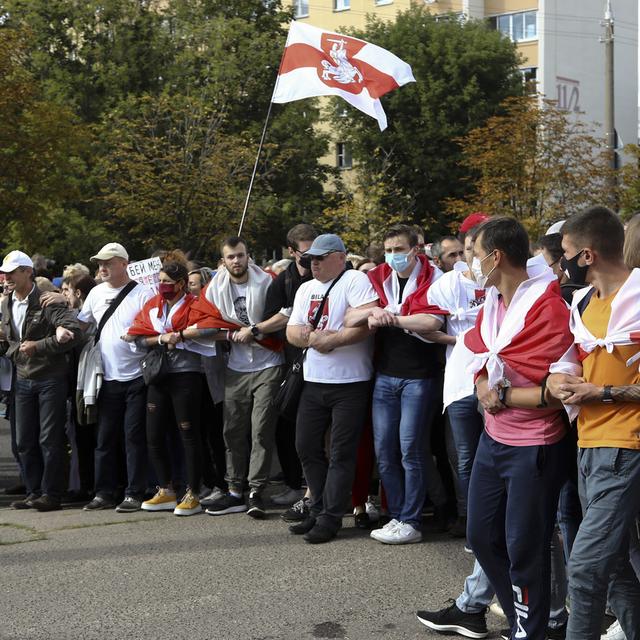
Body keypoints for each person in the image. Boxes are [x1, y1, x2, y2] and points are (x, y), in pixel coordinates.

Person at [462, 217, 574, 639]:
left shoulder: (548, 307)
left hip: (534, 445)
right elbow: (481, 357)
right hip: (494, 438)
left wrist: (501, 396)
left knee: (526, 547)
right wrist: (485, 385)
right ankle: (524, 622)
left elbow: (554, 388)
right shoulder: (492, 301)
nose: (471, 262)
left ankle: (532, 629)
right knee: (482, 535)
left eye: (474, 254)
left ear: (496, 256)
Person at [547, 206, 640, 640]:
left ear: (586, 255)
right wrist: (559, 379)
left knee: (584, 571)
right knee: (616, 563)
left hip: (627, 445)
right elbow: (569, 361)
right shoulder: (583, 302)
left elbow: (605, 384)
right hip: (588, 443)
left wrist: (600, 393)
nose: (556, 262)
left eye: (563, 252)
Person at [345, 224, 448, 544]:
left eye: (399, 250)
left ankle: (413, 520)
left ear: (416, 249)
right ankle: (398, 516)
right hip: (385, 376)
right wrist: (373, 312)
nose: (393, 256)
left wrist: (392, 317)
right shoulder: (377, 278)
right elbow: (350, 317)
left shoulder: (435, 279)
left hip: (421, 376)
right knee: (385, 451)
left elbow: (432, 321)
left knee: (411, 451)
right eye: (389, 250)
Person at [286, 233, 379, 544]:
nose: (314, 264)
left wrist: (332, 339)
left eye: (320, 258)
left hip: (350, 381)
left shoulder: (354, 280)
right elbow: (292, 331)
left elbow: (366, 323)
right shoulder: (306, 289)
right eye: (310, 259)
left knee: (341, 452)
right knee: (306, 446)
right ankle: (319, 506)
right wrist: (313, 339)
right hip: (314, 380)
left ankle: (331, 517)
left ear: (340, 256)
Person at [192, 236, 285, 519]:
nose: (237, 261)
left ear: (249, 256)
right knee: (232, 430)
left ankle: (257, 490)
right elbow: (201, 326)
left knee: (260, 430)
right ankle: (235, 490)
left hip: (269, 362)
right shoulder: (214, 289)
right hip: (237, 367)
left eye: (241, 255)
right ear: (223, 261)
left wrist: (255, 329)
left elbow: (286, 314)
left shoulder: (267, 281)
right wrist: (232, 334)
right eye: (231, 257)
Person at [0, 250, 81, 511]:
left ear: (27, 272)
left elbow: (73, 333)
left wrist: (39, 346)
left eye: (12, 272)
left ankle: (51, 494)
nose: (7, 277)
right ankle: (33, 492)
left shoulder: (48, 299)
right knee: (24, 440)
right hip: (22, 378)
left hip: (50, 378)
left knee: (50, 439)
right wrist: (16, 348)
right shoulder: (6, 302)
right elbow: (11, 342)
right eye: (6, 273)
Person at [124, 258, 204, 516]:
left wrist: (180, 336)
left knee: (188, 434)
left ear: (181, 284)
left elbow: (208, 328)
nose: (162, 286)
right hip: (158, 376)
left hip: (186, 375)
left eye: (168, 282)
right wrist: (159, 338)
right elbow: (136, 337)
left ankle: (193, 492)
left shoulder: (194, 304)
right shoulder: (153, 305)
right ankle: (166, 488)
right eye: (160, 281)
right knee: (153, 435)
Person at [78, 243, 154, 513]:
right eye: (100, 263)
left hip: (137, 376)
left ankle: (135, 492)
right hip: (106, 378)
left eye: (108, 262)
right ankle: (104, 492)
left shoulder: (144, 293)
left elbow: (155, 327)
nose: (102, 268)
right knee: (105, 438)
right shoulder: (96, 293)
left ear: (124, 263)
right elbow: (82, 323)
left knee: (133, 436)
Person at [262, 223, 318, 512]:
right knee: (287, 424)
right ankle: (294, 484)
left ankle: (317, 488)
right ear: (291, 251)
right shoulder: (283, 282)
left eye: (316, 254)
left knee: (320, 432)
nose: (311, 262)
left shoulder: (336, 276)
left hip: (325, 365)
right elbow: (269, 322)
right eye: (305, 255)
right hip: (293, 364)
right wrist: (291, 325)